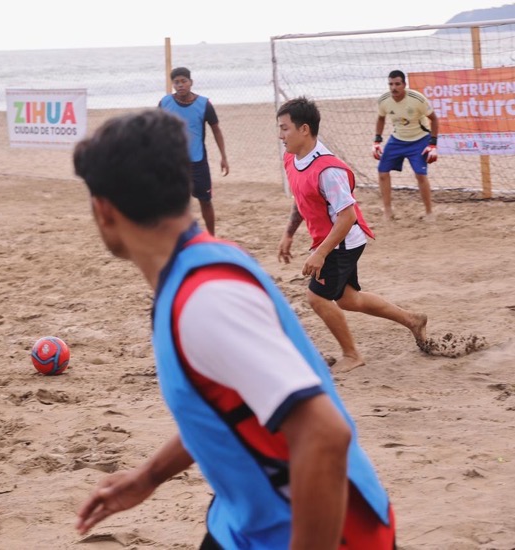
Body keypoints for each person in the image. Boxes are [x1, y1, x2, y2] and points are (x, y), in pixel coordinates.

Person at [73, 108, 397, 549]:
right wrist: (148, 476)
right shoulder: (204, 262)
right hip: (241, 523)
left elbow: (324, 434)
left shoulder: (207, 300)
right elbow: (226, 404)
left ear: (104, 211)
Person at [276, 96, 427, 373]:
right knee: (348, 300)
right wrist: (288, 234)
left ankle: (352, 354)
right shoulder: (292, 158)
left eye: (285, 128)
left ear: (304, 129)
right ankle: (412, 319)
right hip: (333, 240)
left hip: (342, 241)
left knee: (317, 297)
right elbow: (302, 198)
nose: (280, 135)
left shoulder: (328, 169)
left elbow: (348, 216)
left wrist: (321, 253)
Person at [159, 66, 229, 236]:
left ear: (191, 82)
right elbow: (157, 128)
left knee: (205, 201)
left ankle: (211, 237)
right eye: (176, 82)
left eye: (184, 81)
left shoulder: (204, 104)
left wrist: (223, 157)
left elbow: (216, 130)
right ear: (173, 84)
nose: (180, 85)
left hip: (198, 162)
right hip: (174, 162)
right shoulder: (164, 103)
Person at [373, 69, 439, 220]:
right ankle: (388, 211)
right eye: (390, 84)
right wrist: (377, 140)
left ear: (404, 84)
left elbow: (434, 119)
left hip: (420, 139)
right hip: (398, 139)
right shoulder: (384, 100)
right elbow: (381, 118)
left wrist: (433, 144)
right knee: (382, 172)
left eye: (397, 84)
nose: (393, 88)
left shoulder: (417, 99)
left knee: (420, 175)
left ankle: (429, 212)